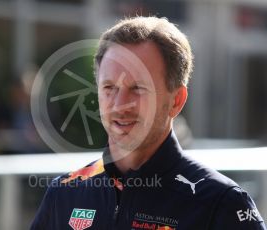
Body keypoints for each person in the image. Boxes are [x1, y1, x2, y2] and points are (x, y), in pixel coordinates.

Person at [30, 16, 266, 230]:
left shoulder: (221, 204)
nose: (120, 104)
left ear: (176, 100)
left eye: (138, 88)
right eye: (109, 88)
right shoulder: (64, 194)